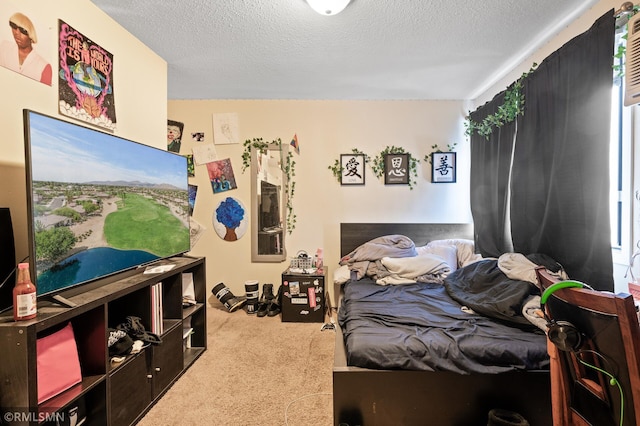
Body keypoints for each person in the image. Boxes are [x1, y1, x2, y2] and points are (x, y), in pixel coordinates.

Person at [0, 12, 52, 85]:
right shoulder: (4, 48)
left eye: (23, 30)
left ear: (31, 36)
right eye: (14, 26)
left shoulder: (43, 67)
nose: (16, 33)